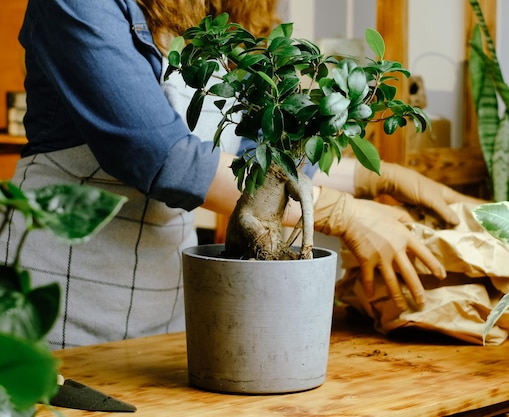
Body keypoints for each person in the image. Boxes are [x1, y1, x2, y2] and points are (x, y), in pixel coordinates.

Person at [0, 0, 481, 349]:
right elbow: (160, 155)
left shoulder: (215, 13)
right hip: (64, 293)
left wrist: (382, 179)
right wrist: (341, 213)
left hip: (167, 296)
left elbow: (261, 164)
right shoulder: (77, 4)